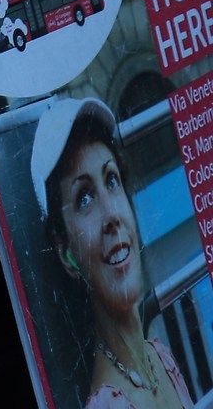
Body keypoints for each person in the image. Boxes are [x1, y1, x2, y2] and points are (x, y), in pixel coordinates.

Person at [35, 96, 192, 409]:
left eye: (111, 179)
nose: (111, 216)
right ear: (65, 251)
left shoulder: (161, 356)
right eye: (84, 198)